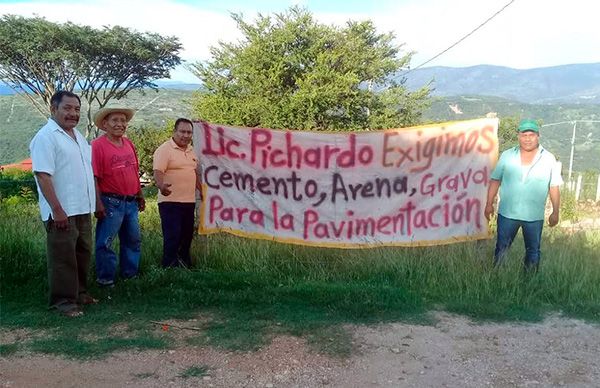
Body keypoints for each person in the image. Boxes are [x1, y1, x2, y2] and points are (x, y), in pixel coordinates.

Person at [30, 90, 97, 317]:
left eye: (77, 109)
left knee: (82, 253)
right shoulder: (46, 137)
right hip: (62, 210)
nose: (73, 113)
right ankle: (63, 302)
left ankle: (80, 293)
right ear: (53, 109)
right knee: (62, 257)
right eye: (67, 108)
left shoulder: (78, 136)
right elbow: (43, 175)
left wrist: (94, 202)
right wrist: (57, 210)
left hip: (82, 207)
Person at [485, 119, 563, 271]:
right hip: (508, 213)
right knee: (501, 249)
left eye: (531, 135)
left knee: (533, 252)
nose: (527, 138)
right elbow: (495, 180)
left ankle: (529, 284)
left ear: (538, 136)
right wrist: (489, 204)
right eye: (524, 135)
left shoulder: (548, 158)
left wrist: (556, 211)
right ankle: (498, 280)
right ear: (519, 136)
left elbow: (554, 186)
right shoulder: (507, 156)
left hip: (534, 216)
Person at [92, 108, 145, 287]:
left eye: (123, 120)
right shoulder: (97, 146)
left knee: (133, 240)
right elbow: (94, 177)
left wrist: (140, 194)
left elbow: (134, 171)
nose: (120, 124)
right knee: (105, 242)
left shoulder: (129, 144)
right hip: (110, 202)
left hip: (130, 202)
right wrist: (98, 203)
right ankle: (105, 279)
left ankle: (130, 275)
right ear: (105, 124)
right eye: (115, 120)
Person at [153, 118, 201, 268]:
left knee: (186, 235)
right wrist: (161, 185)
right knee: (173, 235)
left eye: (189, 132)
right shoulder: (164, 149)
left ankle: (184, 265)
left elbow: (194, 172)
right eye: (182, 131)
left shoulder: (192, 150)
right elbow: (158, 171)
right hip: (170, 201)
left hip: (188, 201)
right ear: (174, 131)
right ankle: (169, 267)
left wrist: (201, 190)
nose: (186, 135)